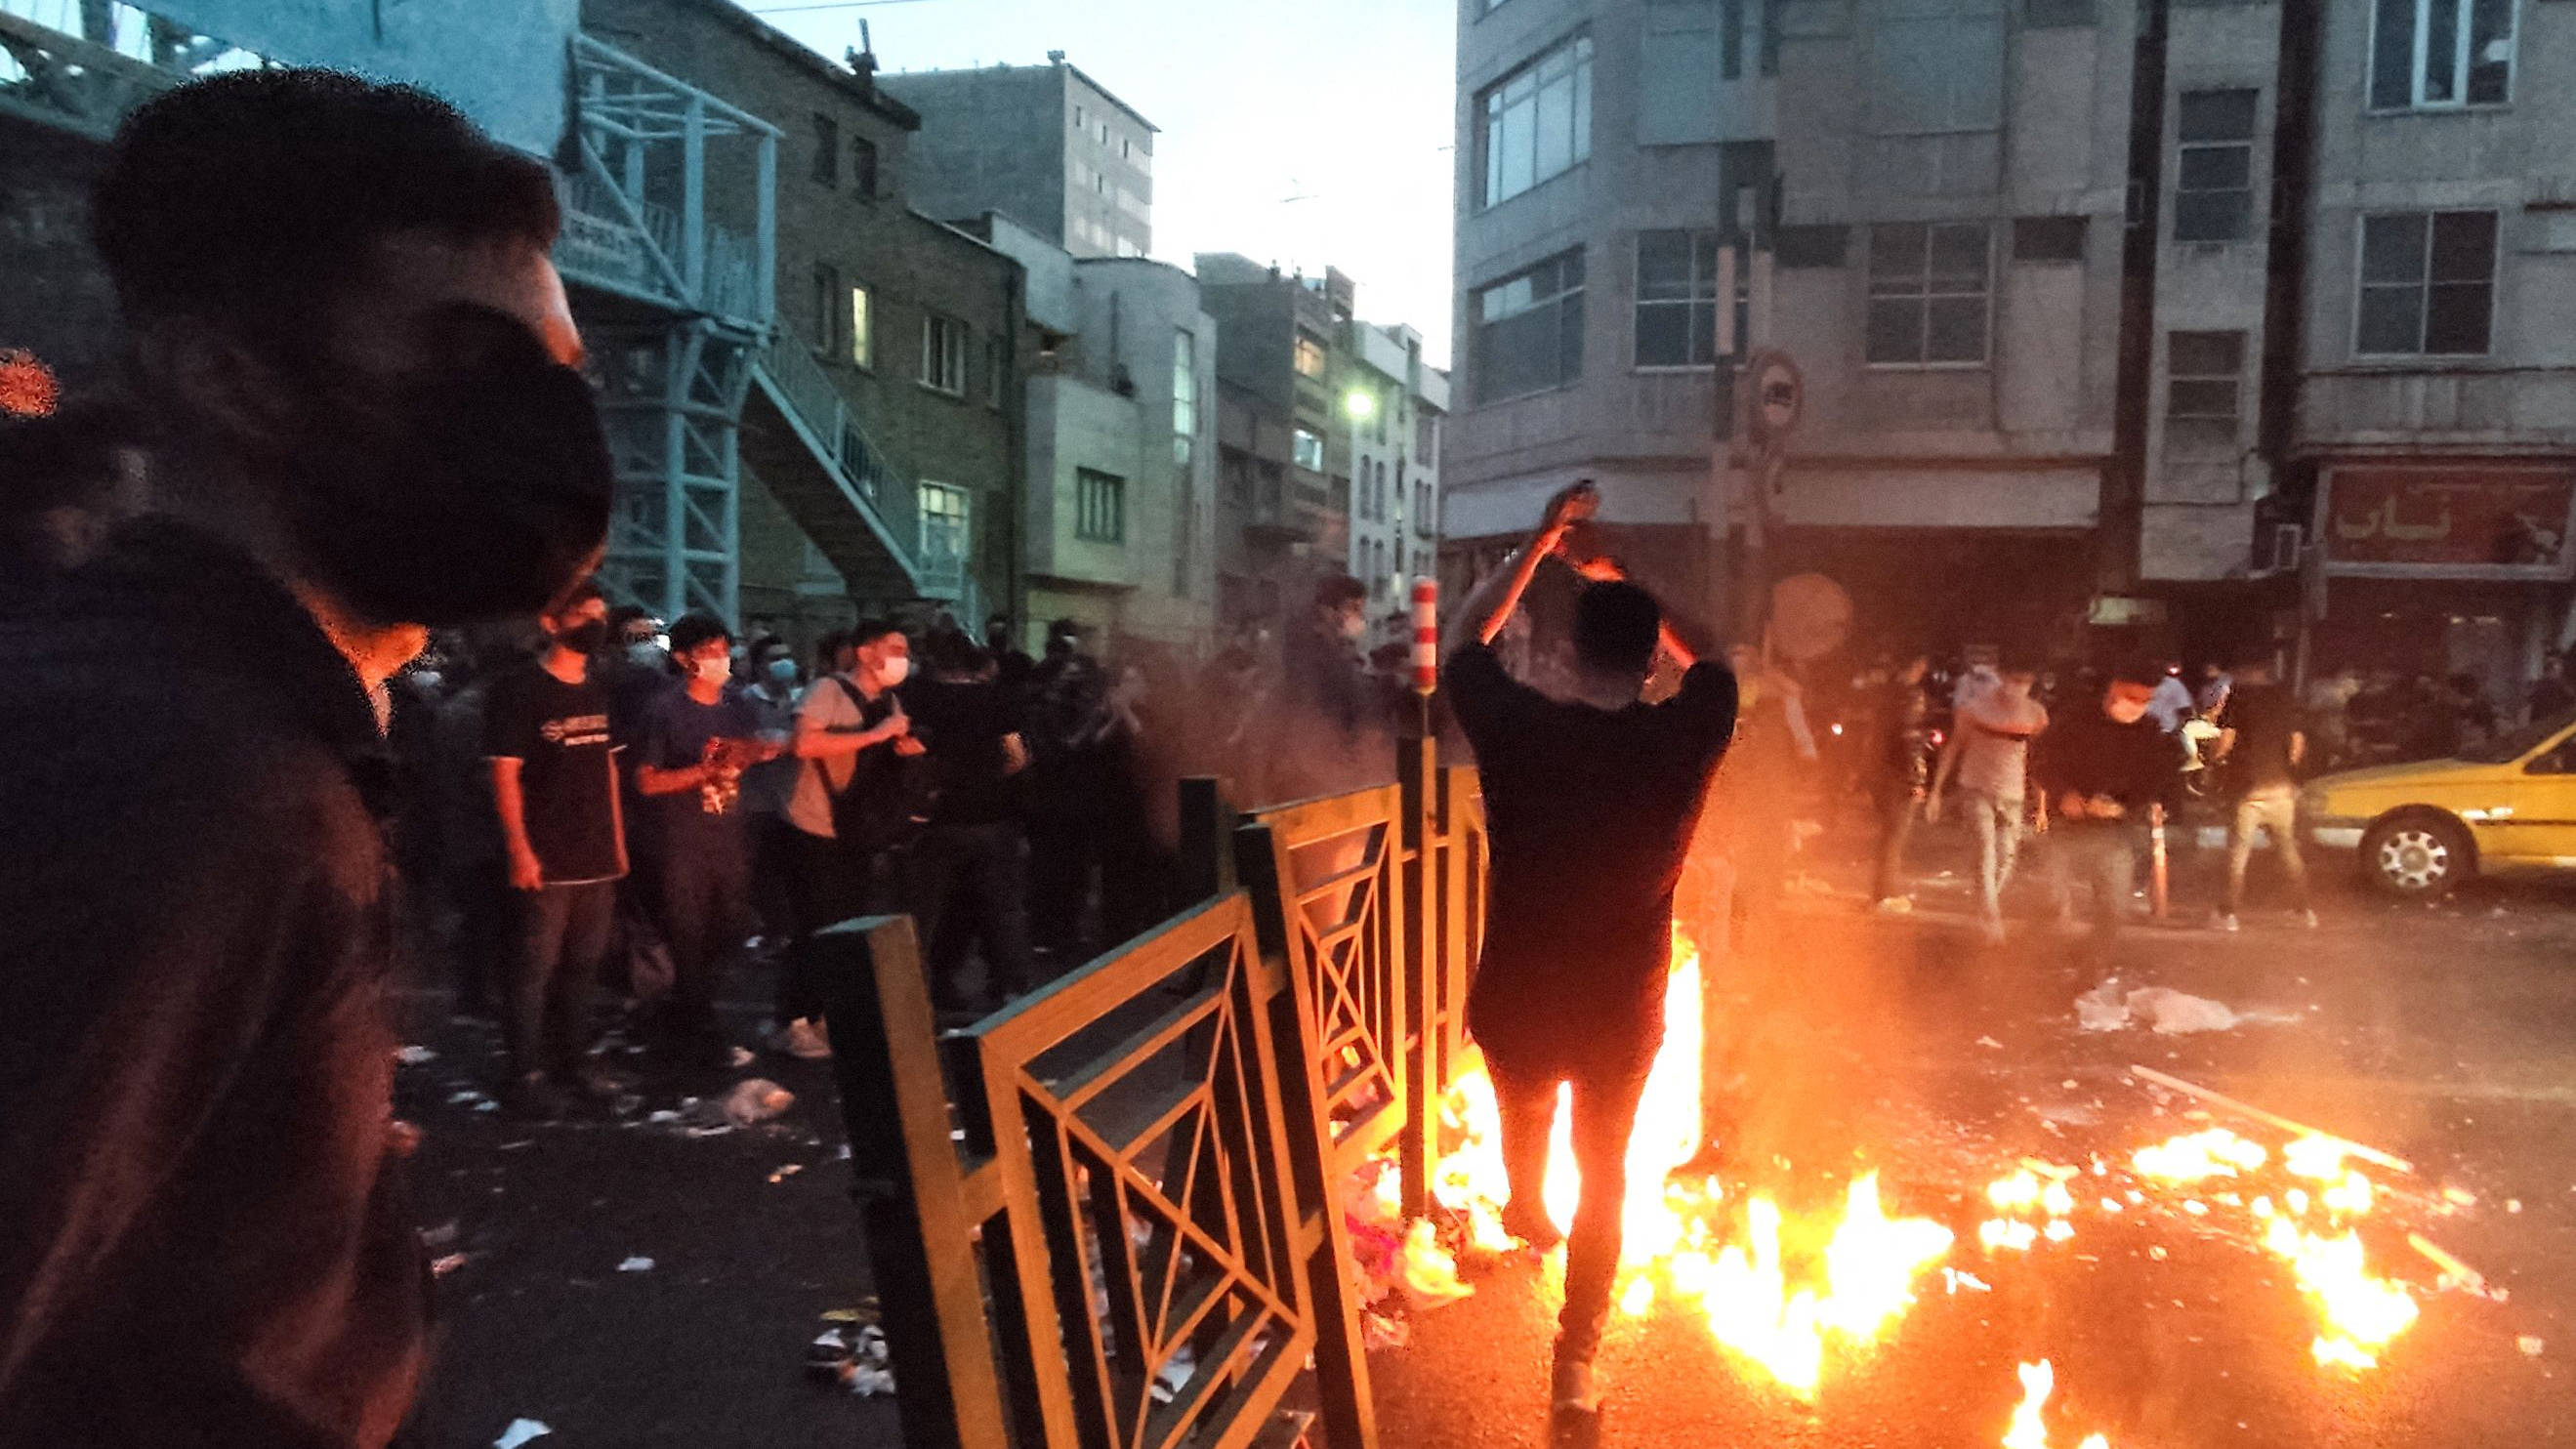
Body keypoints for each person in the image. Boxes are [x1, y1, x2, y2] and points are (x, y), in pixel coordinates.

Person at [0, 70, 608, 1445]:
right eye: (467, 365)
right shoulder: (170, 780)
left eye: (555, 378)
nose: (539, 433)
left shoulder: (248, 726)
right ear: (229, 379)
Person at [1442, 482, 1736, 1423]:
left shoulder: (1521, 728)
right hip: (1621, 1009)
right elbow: (1721, 655)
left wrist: (1540, 545)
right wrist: (1624, 572)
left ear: (1566, 653)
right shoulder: (1682, 737)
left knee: (1525, 1120)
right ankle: (1576, 1362)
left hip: (1519, 999)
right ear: (1652, 661)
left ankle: (1526, 1204)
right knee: (1603, 1173)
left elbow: (1461, 639)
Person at [487, 584, 629, 1115]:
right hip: (546, 857)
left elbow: (609, 769)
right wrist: (519, 848)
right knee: (532, 970)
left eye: (600, 614)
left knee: (583, 967)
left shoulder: (597, 688)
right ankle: (523, 1072)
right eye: (583, 614)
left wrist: (617, 844)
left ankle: (572, 1060)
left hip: (596, 857)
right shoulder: (520, 690)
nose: (594, 622)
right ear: (551, 623)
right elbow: (505, 774)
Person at [634, 613, 782, 1068]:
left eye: (723, 649)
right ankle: (695, 1028)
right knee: (687, 932)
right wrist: (702, 771)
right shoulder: (664, 709)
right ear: (683, 659)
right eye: (708, 652)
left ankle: (683, 1015)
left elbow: (754, 748)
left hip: (728, 832)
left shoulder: (737, 704)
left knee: (730, 927)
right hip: (680, 839)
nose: (721, 659)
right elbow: (647, 781)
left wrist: (757, 752)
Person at [771, 619, 919, 1054]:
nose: (901, 659)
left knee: (844, 926)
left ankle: (824, 1017)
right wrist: (875, 735)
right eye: (894, 648)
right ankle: (792, 1020)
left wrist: (904, 749)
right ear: (865, 653)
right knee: (814, 925)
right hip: (813, 824)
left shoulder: (889, 700)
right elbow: (803, 745)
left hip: (857, 828)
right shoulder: (827, 692)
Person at [905, 634, 1037, 1013]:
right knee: (1002, 909)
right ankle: (1012, 986)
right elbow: (1017, 756)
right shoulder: (997, 699)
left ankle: (919, 988)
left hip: (935, 818)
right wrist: (992, 776)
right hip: (992, 817)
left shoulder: (918, 696)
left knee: (926, 913)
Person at [2035, 662, 2183, 960]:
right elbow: (2041, 761)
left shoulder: (2149, 732)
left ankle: (2093, 965)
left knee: (2113, 910)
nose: (2138, 706)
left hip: (2114, 835)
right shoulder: (2075, 720)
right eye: (2133, 697)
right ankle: (2035, 965)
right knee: (2050, 905)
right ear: (2115, 690)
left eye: (2146, 700)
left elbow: (2157, 779)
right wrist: (2065, 795)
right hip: (2066, 829)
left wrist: (2125, 806)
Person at [1930, 660, 2050, 941]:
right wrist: (1935, 791)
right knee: (1985, 851)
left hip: (2013, 794)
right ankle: (1992, 923)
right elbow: (1954, 747)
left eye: (2025, 681)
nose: (2018, 687)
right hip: (1975, 786)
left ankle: (1984, 908)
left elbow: (2039, 761)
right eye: (2014, 679)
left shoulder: (2036, 715)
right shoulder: (1974, 710)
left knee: (2006, 855)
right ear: (2002, 677)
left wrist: (2042, 805)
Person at [2210, 657, 2314, 932]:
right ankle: (2304, 912)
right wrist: (2287, 771)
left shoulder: (2238, 698)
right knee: (2288, 849)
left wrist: (2214, 758)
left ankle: (2227, 915)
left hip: (2249, 788)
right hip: (2281, 788)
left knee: (2238, 852)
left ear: (2247, 671)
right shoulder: (2285, 698)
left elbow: (2226, 740)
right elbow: (2297, 743)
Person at [1277, 572, 1377, 798]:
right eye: (1352, 608)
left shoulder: (1337, 654)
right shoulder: (1309, 656)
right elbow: (1311, 715)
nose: (1358, 618)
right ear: (1327, 611)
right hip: (1314, 776)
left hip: (1335, 767)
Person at [1867, 655, 1932, 912]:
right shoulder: (1912, 697)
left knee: (1887, 835)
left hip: (1879, 771)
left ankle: (1881, 891)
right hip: (1898, 775)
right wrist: (1916, 778)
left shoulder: (1885, 692)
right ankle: (1885, 893)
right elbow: (1911, 739)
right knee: (1895, 835)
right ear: (1918, 665)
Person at [2146, 662, 2198, 734]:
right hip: (2167, 728)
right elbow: (2186, 709)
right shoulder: (2176, 685)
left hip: (2155, 727)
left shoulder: (2155, 686)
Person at [2528, 655, 2573, 724]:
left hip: (2541, 722)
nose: (2559, 673)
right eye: (2557, 670)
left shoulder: (2539, 685)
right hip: (2553, 722)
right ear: (2550, 670)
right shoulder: (2559, 684)